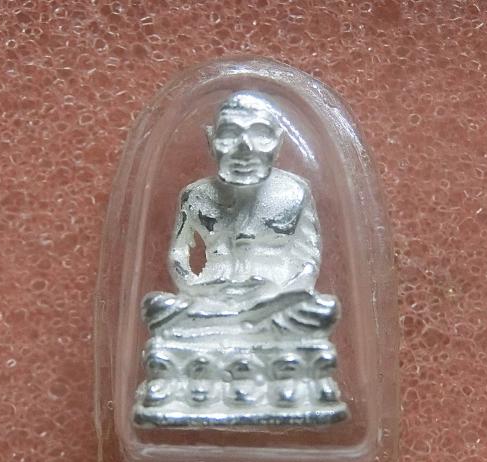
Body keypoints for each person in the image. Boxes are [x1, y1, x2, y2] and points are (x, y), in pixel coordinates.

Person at [138, 91, 341, 410]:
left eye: (259, 134)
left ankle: (216, 360)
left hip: (274, 303)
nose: (245, 147)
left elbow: (308, 259)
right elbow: (179, 257)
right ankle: (248, 354)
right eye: (230, 134)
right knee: (158, 309)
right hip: (211, 299)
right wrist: (200, 288)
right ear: (211, 140)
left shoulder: (294, 191)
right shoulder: (196, 195)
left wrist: (275, 294)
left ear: (278, 141)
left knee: (320, 310)